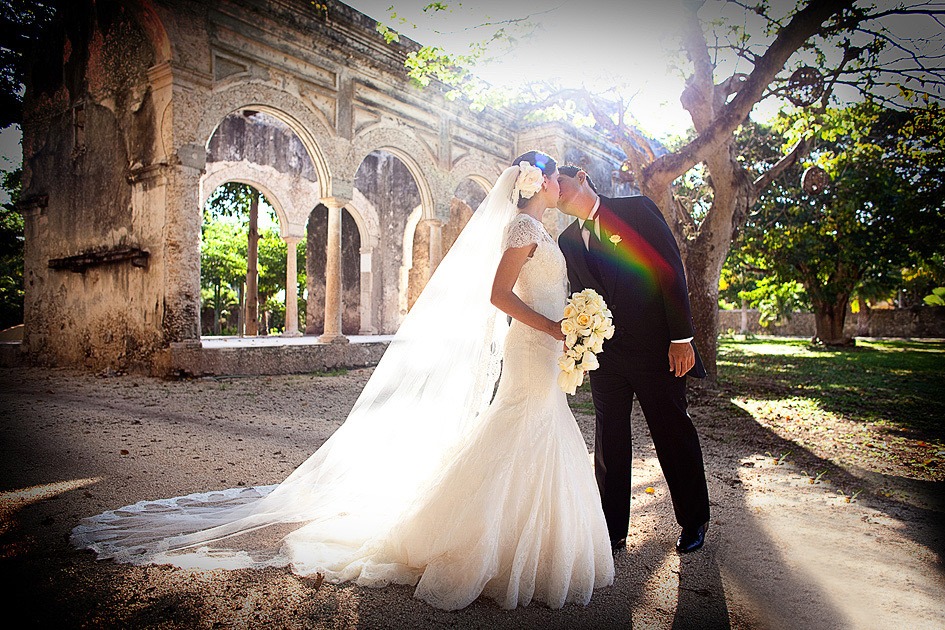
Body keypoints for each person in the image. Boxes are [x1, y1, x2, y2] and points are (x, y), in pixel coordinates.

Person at [72, 151, 614, 611]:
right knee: (521, 426)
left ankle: (531, 544)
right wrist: (554, 328)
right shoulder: (520, 229)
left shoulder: (549, 232)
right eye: (550, 177)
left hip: (550, 348)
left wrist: (574, 325)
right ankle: (477, 541)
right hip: (533, 345)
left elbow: (548, 290)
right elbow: (498, 297)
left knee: (540, 429)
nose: (557, 183)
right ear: (535, 183)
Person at [555, 165, 710, 554]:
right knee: (609, 440)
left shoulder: (637, 210)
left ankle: (694, 521)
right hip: (606, 358)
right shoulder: (567, 240)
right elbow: (580, 296)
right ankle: (612, 530)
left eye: (562, 183)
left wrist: (681, 338)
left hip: (659, 351)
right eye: (552, 189)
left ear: (584, 176)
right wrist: (579, 345)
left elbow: (669, 270)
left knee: (672, 433)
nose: (558, 192)